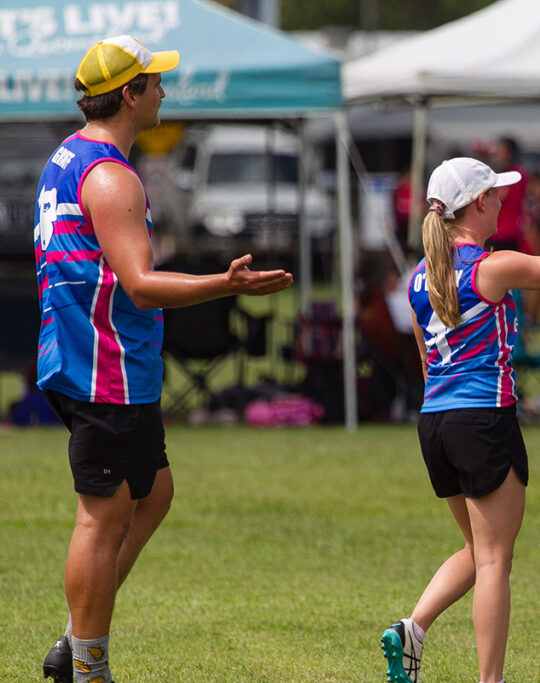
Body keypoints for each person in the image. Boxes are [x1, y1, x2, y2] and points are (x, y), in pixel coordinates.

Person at [36, 35, 293, 683]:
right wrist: (225, 285)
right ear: (129, 94)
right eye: (155, 83)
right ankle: (87, 666)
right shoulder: (113, 176)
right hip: (103, 365)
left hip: (100, 357)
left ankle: (75, 639)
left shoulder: (68, 155)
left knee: (154, 494)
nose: (163, 92)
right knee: (102, 514)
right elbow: (141, 283)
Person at [379, 140, 540, 683]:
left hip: (436, 423)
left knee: (480, 549)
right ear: (477, 203)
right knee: (497, 559)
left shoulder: (415, 280)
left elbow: (429, 368)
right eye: (496, 193)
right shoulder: (491, 268)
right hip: (482, 419)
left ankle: (415, 627)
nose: (503, 201)